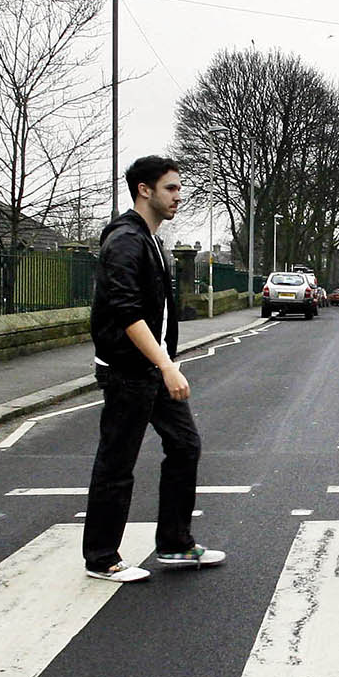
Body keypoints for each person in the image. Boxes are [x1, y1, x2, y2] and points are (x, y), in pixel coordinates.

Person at [82, 155, 224, 582]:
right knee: (116, 462)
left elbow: (156, 312)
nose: (178, 196)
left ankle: (176, 544)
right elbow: (126, 313)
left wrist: (165, 361)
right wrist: (166, 365)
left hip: (153, 368)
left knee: (185, 446)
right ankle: (101, 558)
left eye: (178, 188)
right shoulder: (125, 240)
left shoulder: (150, 240)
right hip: (129, 369)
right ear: (145, 190)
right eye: (171, 188)